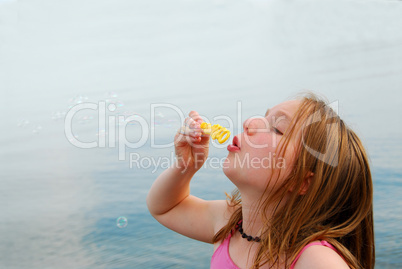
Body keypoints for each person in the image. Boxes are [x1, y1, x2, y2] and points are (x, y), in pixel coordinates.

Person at [146, 93, 374, 269]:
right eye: (264, 117)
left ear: (301, 181)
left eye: (276, 128)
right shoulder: (230, 224)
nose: (249, 123)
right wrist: (185, 167)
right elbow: (166, 208)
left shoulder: (313, 259)